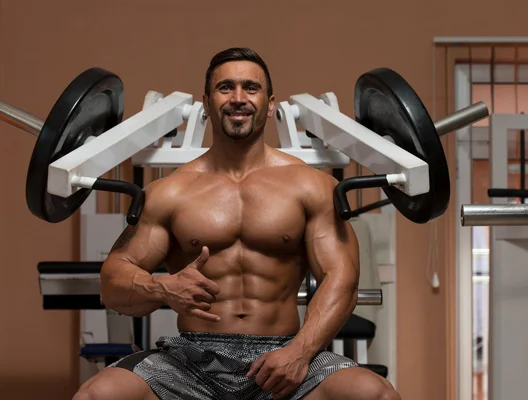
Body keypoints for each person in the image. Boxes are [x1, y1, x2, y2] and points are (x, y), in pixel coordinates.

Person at [73, 47, 402, 400]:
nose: (238, 98)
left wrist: (300, 353)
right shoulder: (170, 192)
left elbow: (343, 279)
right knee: (98, 395)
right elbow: (113, 280)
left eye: (251, 88)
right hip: (190, 361)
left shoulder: (312, 186)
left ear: (270, 103)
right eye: (225, 87)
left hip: (285, 353)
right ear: (206, 102)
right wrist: (164, 288)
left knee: (374, 394)